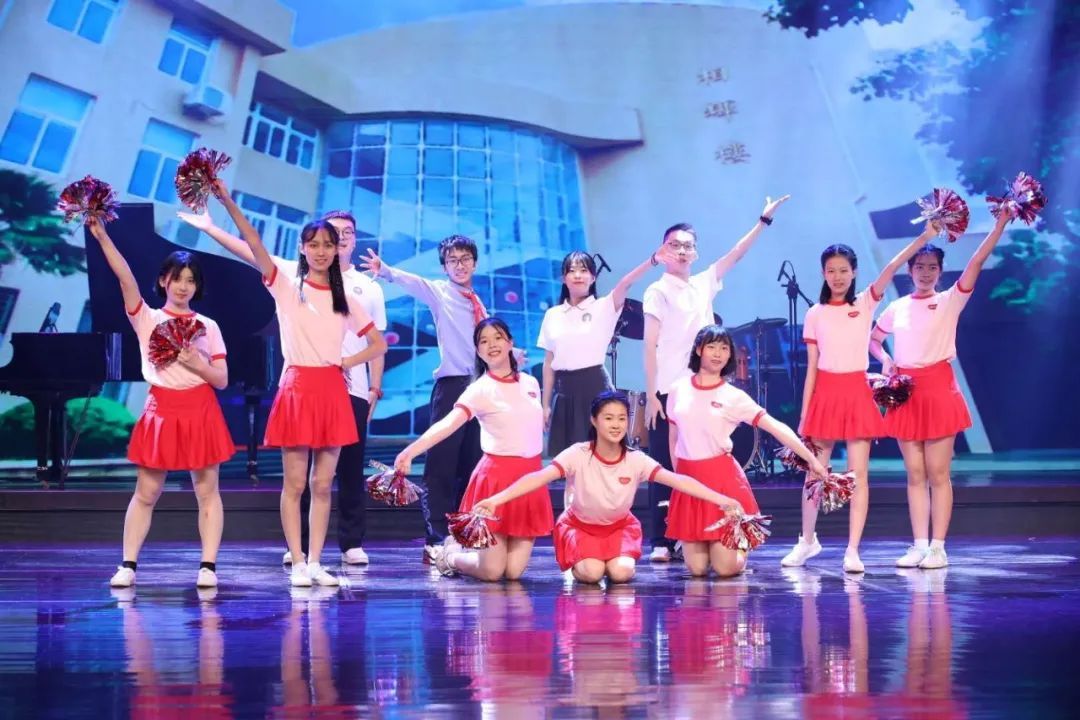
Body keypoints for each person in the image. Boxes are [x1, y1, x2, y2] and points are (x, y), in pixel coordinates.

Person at [196, 182, 386, 587]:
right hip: (298, 387)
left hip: (333, 390)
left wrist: (346, 362)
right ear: (302, 248)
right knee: (296, 483)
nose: (321, 251)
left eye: (328, 245)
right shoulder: (286, 283)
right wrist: (224, 205)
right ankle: (298, 561)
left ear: (336, 250)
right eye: (313, 244)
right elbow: (252, 243)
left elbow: (377, 343)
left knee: (323, 484)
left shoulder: (346, 297)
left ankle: (316, 562)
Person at [642, 195, 791, 562]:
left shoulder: (704, 282)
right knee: (664, 463)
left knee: (700, 461)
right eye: (674, 245)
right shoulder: (657, 290)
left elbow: (736, 254)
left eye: (687, 246)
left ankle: (696, 532)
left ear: (695, 252)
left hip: (703, 389)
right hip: (668, 388)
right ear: (663, 250)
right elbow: (649, 345)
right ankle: (661, 539)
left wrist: (763, 221)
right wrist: (652, 395)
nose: (681, 251)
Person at [781, 224, 936, 573]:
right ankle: (807, 541)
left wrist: (925, 237)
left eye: (843, 270)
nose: (837, 277)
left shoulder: (866, 302)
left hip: (856, 392)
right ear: (823, 274)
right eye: (831, 271)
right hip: (825, 395)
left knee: (858, 475)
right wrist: (804, 415)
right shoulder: (815, 313)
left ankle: (852, 550)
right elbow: (812, 369)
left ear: (853, 273)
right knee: (815, 473)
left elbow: (891, 266)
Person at [89, 218, 233, 589]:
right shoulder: (148, 319)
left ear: (197, 286)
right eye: (177, 278)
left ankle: (208, 567)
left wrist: (197, 365)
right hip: (161, 410)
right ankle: (127, 565)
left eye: (191, 280)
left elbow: (221, 380)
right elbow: (125, 279)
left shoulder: (209, 326)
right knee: (147, 492)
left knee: (207, 492)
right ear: (163, 281)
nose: (184, 286)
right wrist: (102, 236)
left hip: (200, 409)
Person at [472, 390, 746, 584]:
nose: (616, 425)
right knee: (591, 574)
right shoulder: (578, 454)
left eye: (622, 418)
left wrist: (720, 499)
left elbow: (679, 481)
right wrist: (497, 499)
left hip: (618, 528)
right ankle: (456, 560)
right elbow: (537, 478)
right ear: (594, 420)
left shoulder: (636, 459)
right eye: (609, 418)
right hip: (580, 527)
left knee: (621, 573)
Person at [870, 211, 1010, 569]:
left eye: (932, 267)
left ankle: (938, 547)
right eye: (920, 267)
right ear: (910, 270)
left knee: (937, 472)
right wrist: (886, 361)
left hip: (938, 389)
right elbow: (874, 339)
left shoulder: (950, 300)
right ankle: (919, 544)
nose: (926, 272)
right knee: (915, 474)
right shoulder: (897, 307)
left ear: (941, 271)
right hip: (905, 393)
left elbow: (976, 261)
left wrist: (999, 225)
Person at [361, 237, 487, 563]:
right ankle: (436, 538)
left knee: (472, 464)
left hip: (481, 389)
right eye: (452, 260)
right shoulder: (440, 292)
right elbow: (414, 282)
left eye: (465, 259)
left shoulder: (477, 300)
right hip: (452, 388)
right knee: (441, 465)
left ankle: (464, 533)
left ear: (474, 263)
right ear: (444, 267)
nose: (460, 265)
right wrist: (386, 270)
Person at [394, 318, 550, 582]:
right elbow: (447, 424)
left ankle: (463, 547)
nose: (492, 345)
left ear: (510, 343)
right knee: (492, 572)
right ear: (478, 351)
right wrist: (412, 451)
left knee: (513, 573)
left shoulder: (530, 383)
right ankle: (450, 556)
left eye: (498, 338)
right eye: (484, 341)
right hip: (495, 482)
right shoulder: (479, 390)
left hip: (530, 481)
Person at [666, 325, 827, 578]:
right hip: (689, 481)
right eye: (711, 347)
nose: (718, 354)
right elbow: (674, 437)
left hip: (722, 482)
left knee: (725, 568)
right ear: (698, 350)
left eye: (724, 348)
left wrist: (811, 460)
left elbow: (776, 426)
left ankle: (741, 542)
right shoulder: (678, 389)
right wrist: (679, 482)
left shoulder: (733, 396)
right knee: (696, 569)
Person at [537, 247, 672, 455]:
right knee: (568, 460)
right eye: (572, 270)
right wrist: (545, 404)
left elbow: (625, 283)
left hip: (594, 387)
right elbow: (548, 363)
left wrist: (653, 260)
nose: (578, 275)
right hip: (563, 394)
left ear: (593, 277)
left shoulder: (603, 306)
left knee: (601, 454)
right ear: (564, 278)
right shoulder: (553, 315)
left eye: (584, 270)